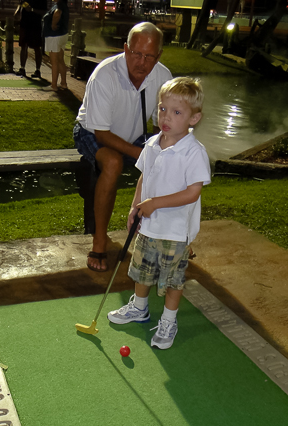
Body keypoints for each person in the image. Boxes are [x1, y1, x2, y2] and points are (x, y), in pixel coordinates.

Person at [106, 77, 210, 350]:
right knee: (142, 270)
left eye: (177, 112)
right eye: (163, 109)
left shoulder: (193, 152)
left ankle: (168, 320)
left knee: (173, 279)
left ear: (194, 118)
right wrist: (135, 206)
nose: (166, 117)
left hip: (175, 231)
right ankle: (140, 308)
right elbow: (144, 178)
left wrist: (154, 204)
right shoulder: (153, 144)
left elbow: (192, 193)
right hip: (149, 225)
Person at [74, 22, 172, 273]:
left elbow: (167, 124)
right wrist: (142, 153)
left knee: (171, 161)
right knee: (113, 162)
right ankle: (99, 241)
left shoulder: (163, 77)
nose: (141, 62)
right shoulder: (105, 74)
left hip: (135, 135)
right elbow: (102, 133)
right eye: (136, 54)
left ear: (158, 55)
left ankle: (172, 238)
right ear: (126, 49)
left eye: (149, 56)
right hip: (93, 132)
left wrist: (166, 151)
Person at [42, 0, 69, 91]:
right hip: (62, 35)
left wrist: (53, 24)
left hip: (54, 36)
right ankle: (63, 83)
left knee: (54, 62)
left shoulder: (59, 5)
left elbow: (57, 13)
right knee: (60, 60)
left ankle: (54, 85)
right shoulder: (62, 5)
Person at [16, 0, 46, 78]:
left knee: (36, 47)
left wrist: (32, 9)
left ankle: (38, 70)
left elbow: (44, 12)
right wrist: (17, 12)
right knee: (23, 46)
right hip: (24, 24)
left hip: (35, 25)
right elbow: (20, 5)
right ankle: (22, 68)